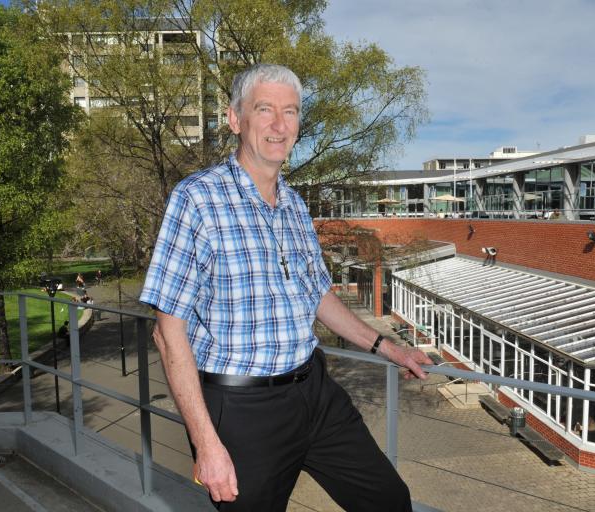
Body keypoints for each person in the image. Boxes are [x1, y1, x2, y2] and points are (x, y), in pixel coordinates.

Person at [140, 63, 432, 512]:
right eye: (265, 110)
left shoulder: (295, 205)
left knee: (390, 501)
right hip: (241, 409)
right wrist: (206, 445)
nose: (279, 125)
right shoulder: (197, 198)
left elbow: (317, 295)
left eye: (291, 112)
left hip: (314, 392)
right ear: (236, 119)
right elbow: (167, 331)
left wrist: (388, 348)